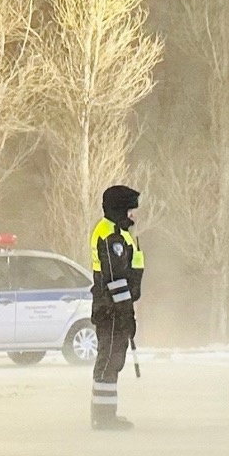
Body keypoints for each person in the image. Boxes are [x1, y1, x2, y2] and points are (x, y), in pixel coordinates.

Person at [88, 184, 144, 431]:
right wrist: (124, 312)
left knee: (113, 360)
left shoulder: (119, 233)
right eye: (130, 210)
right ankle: (103, 417)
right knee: (109, 360)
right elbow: (116, 278)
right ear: (119, 209)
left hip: (115, 307)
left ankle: (106, 414)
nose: (133, 215)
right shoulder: (111, 236)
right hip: (111, 309)